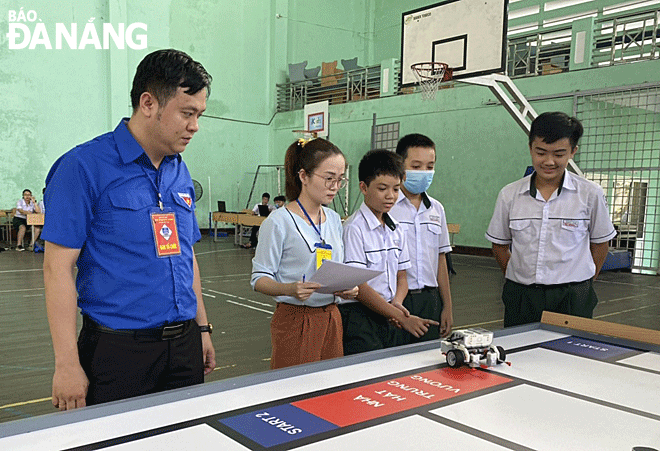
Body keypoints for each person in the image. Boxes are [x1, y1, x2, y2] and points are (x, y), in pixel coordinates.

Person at [42, 49, 216, 411]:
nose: (195, 126)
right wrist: (66, 364)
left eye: (199, 115)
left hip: (184, 345)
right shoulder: (83, 167)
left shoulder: (177, 169)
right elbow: (56, 268)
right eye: (187, 113)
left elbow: (187, 255)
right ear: (148, 103)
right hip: (118, 352)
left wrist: (201, 328)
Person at [486, 112, 617, 327]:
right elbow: (499, 245)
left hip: (573, 297)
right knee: (521, 356)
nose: (549, 161)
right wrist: (519, 276)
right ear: (530, 148)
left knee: (570, 357)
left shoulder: (590, 194)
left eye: (559, 154)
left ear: (572, 152)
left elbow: (601, 244)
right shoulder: (509, 195)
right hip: (522, 296)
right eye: (541, 152)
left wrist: (582, 282)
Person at [251, 138, 358, 369]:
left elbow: (337, 266)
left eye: (340, 180)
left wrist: (350, 288)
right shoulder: (279, 222)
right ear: (304, 176)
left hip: (331, 317)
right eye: (329, 178)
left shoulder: (333, 219)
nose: (335, 186)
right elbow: (259, 279)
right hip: (296, 319)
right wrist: (290, 288)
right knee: (293, 392)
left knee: (328, 391)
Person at [341, 149, 439, 355]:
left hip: (389, 314)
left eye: (396, 189)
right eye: (382, 188)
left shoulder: (396, 229)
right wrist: (401, 317)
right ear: (363, 187)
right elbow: (360, 287)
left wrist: (396, 304)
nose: (390, 196)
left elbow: (402, 276)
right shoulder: (354, 228)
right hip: (361, 317)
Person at [389, 134, 454, 344]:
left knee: (427, 363)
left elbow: (440, 259)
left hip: (430, 298)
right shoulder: (387, 208)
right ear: (400, 166)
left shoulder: (437, 209)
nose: (423, 173)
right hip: (397, 300)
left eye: (429, 166)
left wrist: (447, 307)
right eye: (416, 166)